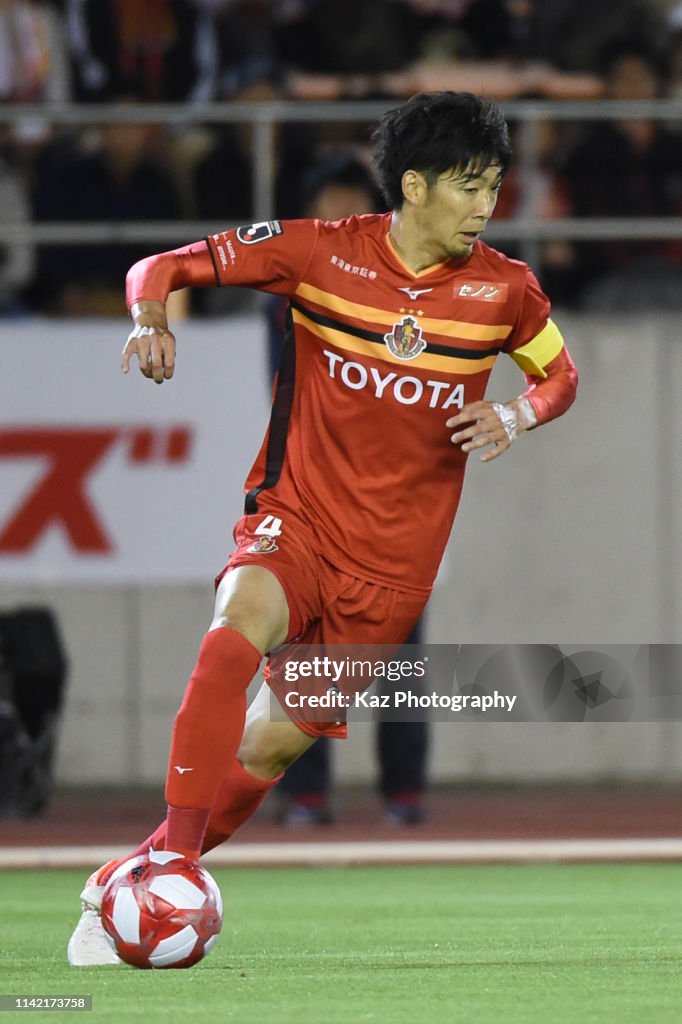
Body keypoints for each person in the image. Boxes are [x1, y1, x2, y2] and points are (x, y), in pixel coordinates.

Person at [67, 90, 578, 965]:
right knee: (234, 634)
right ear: (413, 187)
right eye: (467, 185)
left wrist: (519, 416)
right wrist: (150, 317)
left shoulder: (506, 290)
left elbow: (560, 375)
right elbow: (162, 265)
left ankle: (132, 879)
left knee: (266, 752)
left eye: (493, 184)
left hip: (392, 572)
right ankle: (176, 869)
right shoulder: (315, 252)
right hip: (294, 519)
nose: (485, 204)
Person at [263, 151, 430, 827]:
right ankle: (305, 793)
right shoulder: (293, 287)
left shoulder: (413, 297)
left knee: (401, 665)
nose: (341, 212)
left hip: (391, 516)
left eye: (352, 199)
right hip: (311, 510)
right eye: (329, 199)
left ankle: (405, 793)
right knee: (303, 659)